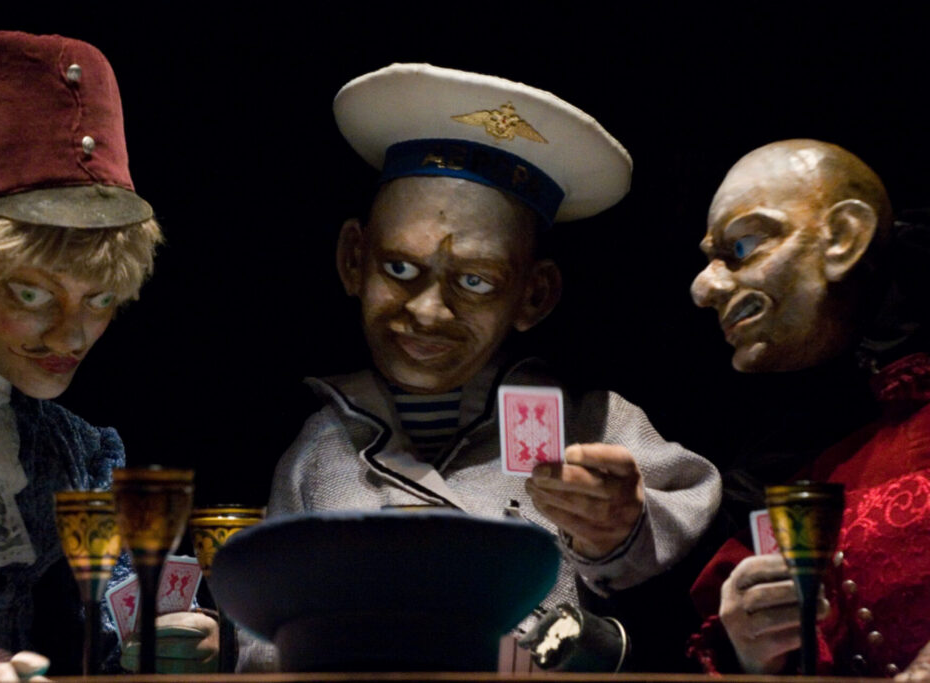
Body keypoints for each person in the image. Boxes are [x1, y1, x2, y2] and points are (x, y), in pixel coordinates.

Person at [248, 63, 721, 671]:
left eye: (475, 282)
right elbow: (263, 635)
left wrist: (622, 530)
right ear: (352, 260)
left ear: (534, 295)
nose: (427, 311)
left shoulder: (596, 428)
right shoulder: (318, 452)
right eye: (399, 269)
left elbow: (685, 589)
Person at [0, 31, 215, 676]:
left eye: (99, 300)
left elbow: (113, 628)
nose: (72, 337)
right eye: (31, 294)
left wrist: (167, 637)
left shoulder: (84, 453)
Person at [688, 139, 930, 679]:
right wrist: (754, 648)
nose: (703, 288)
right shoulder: (793, 462)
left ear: (843, 238)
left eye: (743, 245)